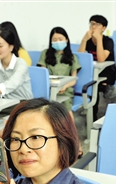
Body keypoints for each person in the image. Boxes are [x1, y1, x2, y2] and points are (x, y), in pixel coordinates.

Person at [37, 27, 83, 157]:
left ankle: (76, 144)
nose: (57, 42)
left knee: (67, 115)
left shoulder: (72, 57)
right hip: (49, 90)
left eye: (60, 39)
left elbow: (74, 79)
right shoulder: (45, 54)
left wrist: (65, 86)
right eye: (54, 39)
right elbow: (42, 74)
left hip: (65, 91)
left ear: (66, 40)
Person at [78, 15, 116, 120]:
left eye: (97, 24)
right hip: (94, 72)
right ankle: (92, 115)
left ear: (103, 28)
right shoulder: (88, 41)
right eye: (91, 23)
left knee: (98, 86)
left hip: (107, 72)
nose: (93, 26)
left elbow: (101, 59)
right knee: (91, 84)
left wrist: (99, 40)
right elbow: (79, 57)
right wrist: (84, 40)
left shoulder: (108, 41)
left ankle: (105, 111)